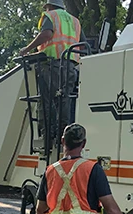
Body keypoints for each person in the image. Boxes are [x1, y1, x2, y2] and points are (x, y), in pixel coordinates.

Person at [19, 0, 86, 139]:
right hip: (71, 66)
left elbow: (47, 34)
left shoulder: (50, 16)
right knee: (63, 99)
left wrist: (26, 49)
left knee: (46, 100)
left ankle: (48, 135)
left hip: (52, 64)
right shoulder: (75, 21)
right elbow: (83, 46)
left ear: (49, 7)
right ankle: (65, 134)